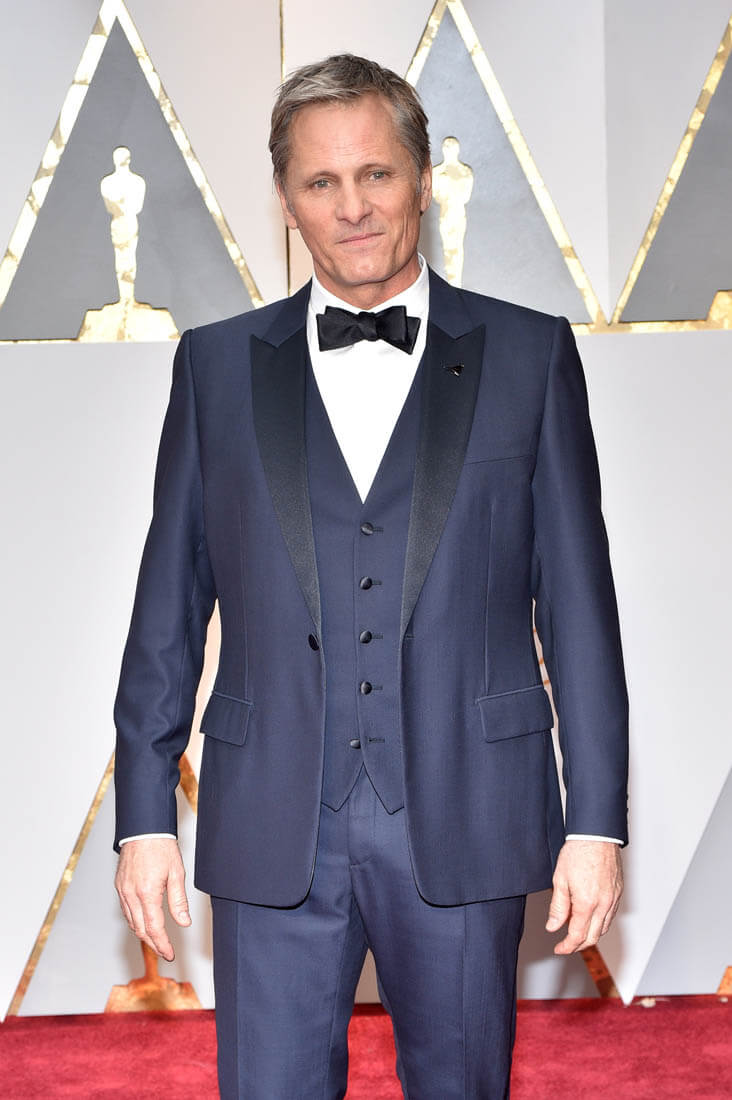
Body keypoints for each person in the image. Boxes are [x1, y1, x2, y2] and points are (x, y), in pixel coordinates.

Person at [114, 54, 628, 1099]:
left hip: (467, 813)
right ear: (287, 199)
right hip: (270, 824)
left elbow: (580, 609)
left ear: (423, 180)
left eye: (376, 174)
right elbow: (166, 608)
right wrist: (143, 816)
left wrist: (597, 822)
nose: (352, 208)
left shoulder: (530, 356)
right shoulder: (214, 367)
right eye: (321, 182)